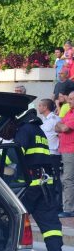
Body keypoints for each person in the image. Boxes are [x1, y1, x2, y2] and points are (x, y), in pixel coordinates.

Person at [11, 112, 66, 251]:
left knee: (11, 220)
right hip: (45, 185)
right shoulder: (38, 131)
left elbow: (16, 153)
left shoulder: (24, 130)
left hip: (30, 186)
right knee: (50, 226)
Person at [38, 98, 63, 215]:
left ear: (45, 107)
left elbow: (61, 134)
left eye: (40, 106)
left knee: (55, 180)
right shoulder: (43, 120)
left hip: (53, 153)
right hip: (45, 154)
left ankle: (57, 205)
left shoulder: (55, 119)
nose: (38, 108)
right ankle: (48, 203)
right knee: (46, 179)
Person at [55, 89, 74, 218]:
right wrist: (61, 126)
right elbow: (56, 127)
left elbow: (65, 128)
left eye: (72, 99)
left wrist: (61, 126)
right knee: (68, 179)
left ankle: (68, 208)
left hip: (71, 150)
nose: (69, 100)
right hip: (66, 149)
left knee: (67, 179)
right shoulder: (69, 112)